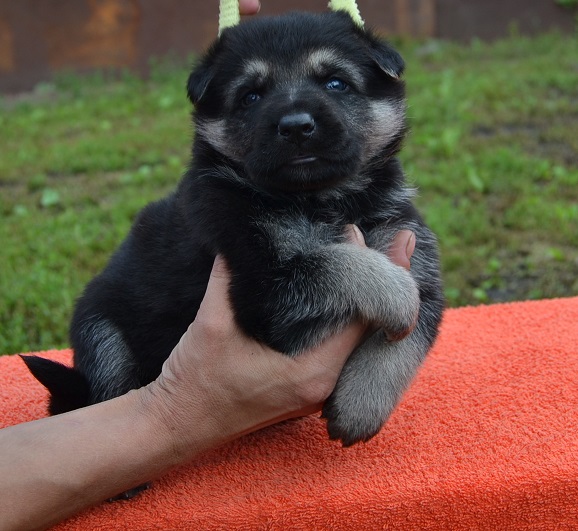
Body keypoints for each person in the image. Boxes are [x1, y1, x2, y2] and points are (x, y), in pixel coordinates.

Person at [0, 2, 417, 527]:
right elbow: (269, 301)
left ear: (388, 95)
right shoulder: (225, 199)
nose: (294, 115)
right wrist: (363, 277)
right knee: (100, 320)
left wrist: (373, 388)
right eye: (252, 95)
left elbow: (420, 303)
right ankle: (99, 409)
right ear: (209, 120)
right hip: (146, 345)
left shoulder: (387, 197)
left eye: (334, 82)